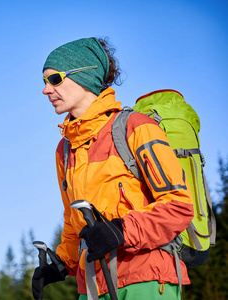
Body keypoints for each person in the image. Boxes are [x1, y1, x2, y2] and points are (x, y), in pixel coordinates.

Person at [32, 37, 194, 299]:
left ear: (85, 76)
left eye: (55, 79)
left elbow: (178, 205)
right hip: (93, 287)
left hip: (146, 280)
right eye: (44, 82)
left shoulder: (135, 128)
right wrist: (61, 264)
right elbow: (74, 223)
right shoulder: (64, 150)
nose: (46, 90)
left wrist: (121, 230)